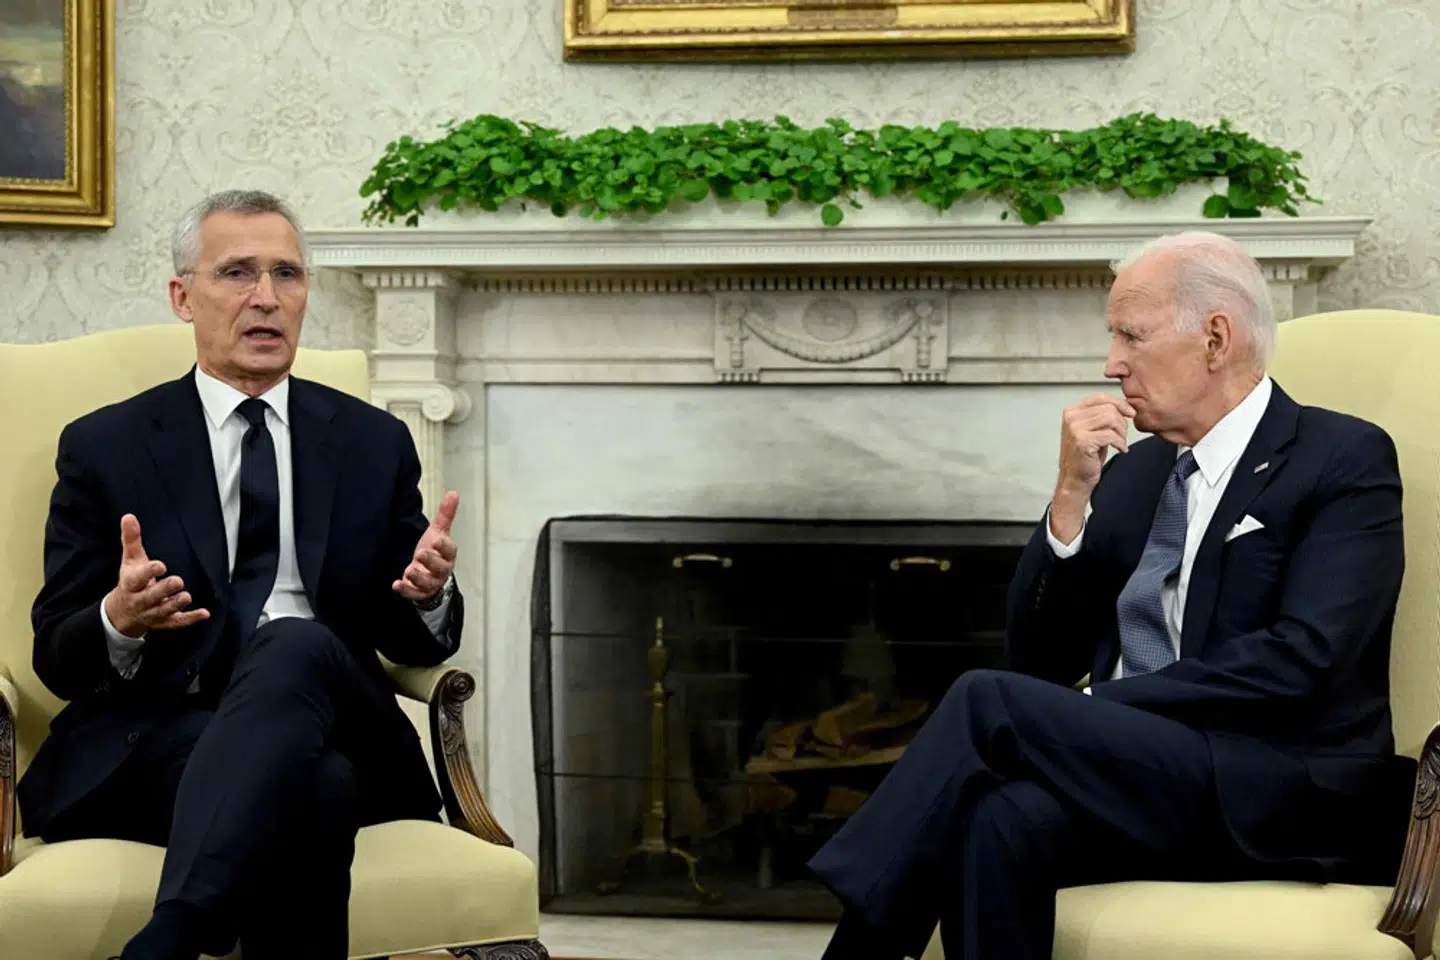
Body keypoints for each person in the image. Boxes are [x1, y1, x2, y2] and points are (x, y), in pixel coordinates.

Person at [808, 231, 1414, 960]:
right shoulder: (1132, 472)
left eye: (1132, 335)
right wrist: (1070, 500)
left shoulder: (1341, 457)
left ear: (1215, 339)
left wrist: (1103, 706)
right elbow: (1038, 663)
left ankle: (854, 946)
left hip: (1282, 785)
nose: (1111, 363)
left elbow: (1305, 659)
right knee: (998, 817)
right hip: (1142, 779)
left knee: (983, 699)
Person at [17, 190, 465, 960]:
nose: (266, 297)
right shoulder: (107, 446)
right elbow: (56, 657)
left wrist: (428, 598)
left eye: (287, 274)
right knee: (317, 788)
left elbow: (416, 646)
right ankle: (181, 930)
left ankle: (174, 934)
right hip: (165, 733)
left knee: (294, 641)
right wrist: (120, 618)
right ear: (182, 296)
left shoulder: (372, 441)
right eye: (236, 273)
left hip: (339, 714)